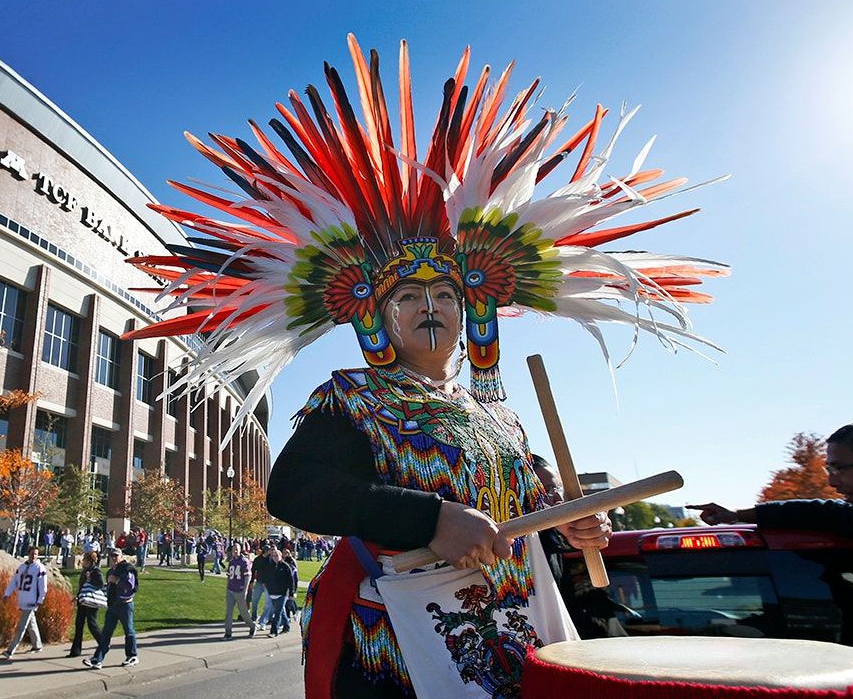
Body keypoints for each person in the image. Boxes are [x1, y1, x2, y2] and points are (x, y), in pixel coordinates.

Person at [118, 36, 724, 697]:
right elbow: (294, 490)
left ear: (468, 314)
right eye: (407, 295)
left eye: (444, 295)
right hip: (393, 650)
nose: (429, 305)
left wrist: (576, 522)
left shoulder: (498, 416)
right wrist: (430, 520)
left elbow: (532, 507)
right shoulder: (353, 398)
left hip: (511, 627)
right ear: (377, 318)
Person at [688, 420, 853, 659]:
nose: (832, 481)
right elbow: (820, 512)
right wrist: (737, 516)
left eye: (841, 469)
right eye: (829, 470)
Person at [83, 547, 139, 669]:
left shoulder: (127, 570)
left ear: (121, 557)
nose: (113, 558)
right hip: (113, 605)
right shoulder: (109, 572)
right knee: (106, 633)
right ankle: (97, 659)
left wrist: (117, 581)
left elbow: (130, 586)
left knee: (128, 631)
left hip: (125, 604)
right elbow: (107, 587)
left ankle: (132, 656)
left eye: (116, 556)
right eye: (111, 556)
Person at [2, 546, 46, 659]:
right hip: (22, 599)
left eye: (36, 554)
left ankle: (11, 650)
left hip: (31, 600)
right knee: (31, 623)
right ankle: (37, 645)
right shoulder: (21, 567)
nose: (34, 556)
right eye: (32, 553)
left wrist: (41, 599)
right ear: (28, 553)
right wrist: (7, 593)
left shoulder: (40, 568)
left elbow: (42, 586)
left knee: (21, 626)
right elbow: (14, 582)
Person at [69, 551, 105, 657]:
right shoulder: (85, 571)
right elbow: (83, 586)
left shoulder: (96, 571)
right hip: (83, 601)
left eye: (84, 559)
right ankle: (75, 650)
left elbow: (100, 584)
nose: (82, 561)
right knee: (79, 624)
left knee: (91, 624)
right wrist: (78, 596)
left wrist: (90, 580)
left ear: (89, 560)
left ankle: (103, 643)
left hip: (91, 602)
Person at [223, 544, 257, 640]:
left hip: (240, 590)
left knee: (243, 613)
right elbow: (229, 575)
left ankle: (252, 627)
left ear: (240, 550)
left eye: (237, 549)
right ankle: (228, 633)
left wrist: (245, 590)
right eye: (234, 549)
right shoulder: (232, 561)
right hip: (231, 590)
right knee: (228, 613)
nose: (235, 551)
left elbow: (248, 577)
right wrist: (227, 586)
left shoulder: (244, 562)